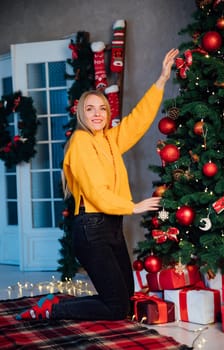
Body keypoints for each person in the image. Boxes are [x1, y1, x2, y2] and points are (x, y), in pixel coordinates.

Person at [16, 48, 179, 321]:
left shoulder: (109, 140)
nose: (97, 114)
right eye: (90, 109)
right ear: (81, 113)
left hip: (111, 227)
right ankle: (52, 310)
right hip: (91, 229)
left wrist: (161, 80)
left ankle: (55, 301)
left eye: (102, 108)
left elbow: (137, 121)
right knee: (116, 308)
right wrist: (133, 206)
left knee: (123, 302)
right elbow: (95, 191)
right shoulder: (80, 143)